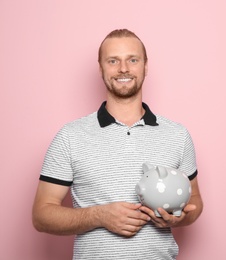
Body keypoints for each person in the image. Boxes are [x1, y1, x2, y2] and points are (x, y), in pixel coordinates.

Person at [32, 29, 203, 260]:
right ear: (101, 68)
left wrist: (179, 218)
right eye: (113, 61)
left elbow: (195, 202)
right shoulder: (70, 136)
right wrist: (98, 216)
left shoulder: (177, 135)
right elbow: (41, 215)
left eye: (133, 60)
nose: (124, 68)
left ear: (145, 66)